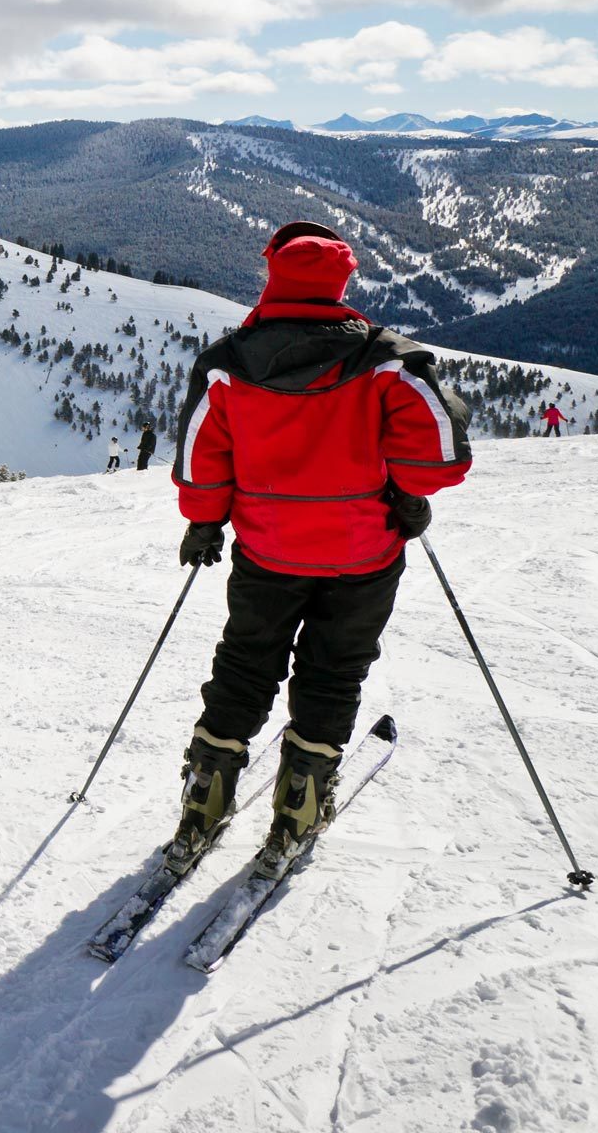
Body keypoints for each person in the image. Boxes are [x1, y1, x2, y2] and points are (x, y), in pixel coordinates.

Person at [169, 221, 472, 866]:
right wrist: (409, 494)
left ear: (272, 274)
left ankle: (206, 794)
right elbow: (442, 455)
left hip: (267, 550)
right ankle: (301, 800)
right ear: (342, 281)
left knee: (246, 660)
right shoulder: (386, 360)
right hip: (365, 554)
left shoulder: (227, 363)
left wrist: (203, 521)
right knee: (333, 669)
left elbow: (201, 460)